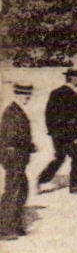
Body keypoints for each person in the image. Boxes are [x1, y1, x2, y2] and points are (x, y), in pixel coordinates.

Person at [40, 68, 77, 194]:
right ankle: (75, 186)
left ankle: (41, 180)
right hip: (70, 135)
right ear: (73, 79)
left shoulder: (55, 93)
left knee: (60, 157)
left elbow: (48, 114)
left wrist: (52, 131)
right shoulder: (74, 96)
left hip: (56, 134)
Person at [1, 83, 37, 240]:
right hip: (13, 157)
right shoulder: (11, 112)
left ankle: (14, 225)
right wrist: (28, 145)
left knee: (21, 190)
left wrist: (29, 145)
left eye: (28, 95)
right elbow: (11, 137)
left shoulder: (17, 111)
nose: (27, 98)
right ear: (17, 95)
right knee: (13, 191)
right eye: (24, 95)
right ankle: (5, 229)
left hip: (18, 157)